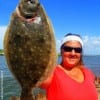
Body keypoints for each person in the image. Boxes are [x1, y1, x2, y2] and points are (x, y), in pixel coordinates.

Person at [40, 33, 98, 100]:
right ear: (61, 51)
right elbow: (39, 82)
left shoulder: (88, 72)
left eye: (77, 50)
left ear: (81, 53)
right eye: (68, 49)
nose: (73, 53)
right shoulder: (52, 72)